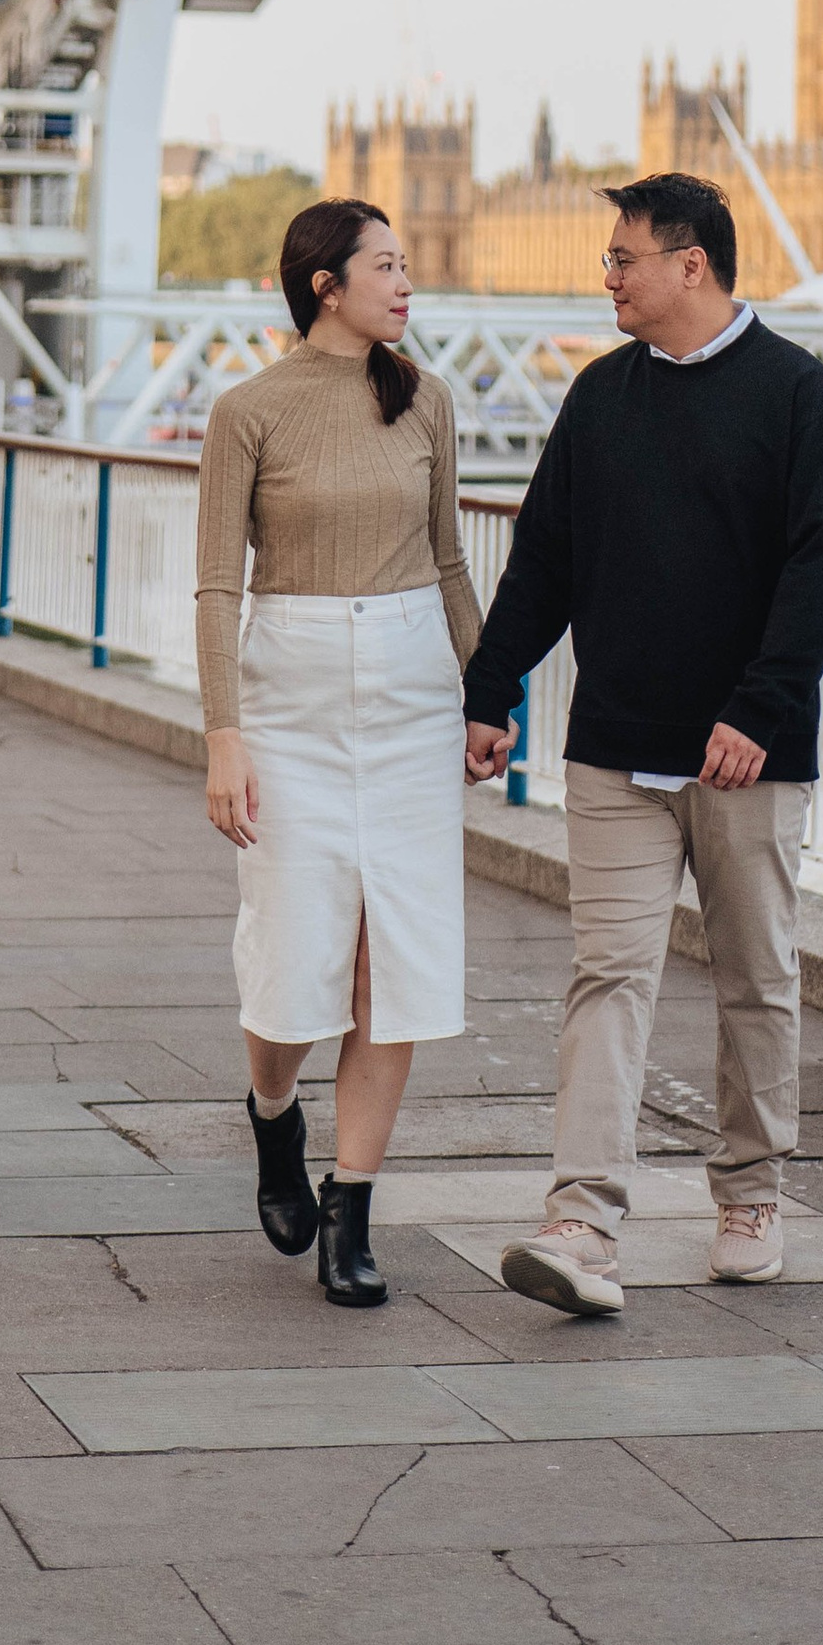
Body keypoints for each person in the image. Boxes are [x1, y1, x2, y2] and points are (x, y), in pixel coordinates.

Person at [462, 171, 823, 1317]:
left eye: (624, 257)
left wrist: (760, 709)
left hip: (745, 753)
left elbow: (817, 569)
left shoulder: (796, 397)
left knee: (755, 981)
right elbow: (544, 556)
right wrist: (495, 690)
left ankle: (749, 1194)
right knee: (608, 978)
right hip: (614, 747)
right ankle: (582, 1219)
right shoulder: (597, 398)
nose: (608, 276)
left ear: (692, 265)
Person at [197, 196, 482, 1307]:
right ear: (327, 284)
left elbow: (451, 562)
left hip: (413, 696)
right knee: (293, 964)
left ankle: (349, 1210)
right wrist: (225, 738)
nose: (406, 286)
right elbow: (220, 583)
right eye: (388, 268)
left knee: (394, 966)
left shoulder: (427, 401)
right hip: (291, 701)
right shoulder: (248, 411)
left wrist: (484, 690)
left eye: (407, 267)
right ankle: (273, 1112)